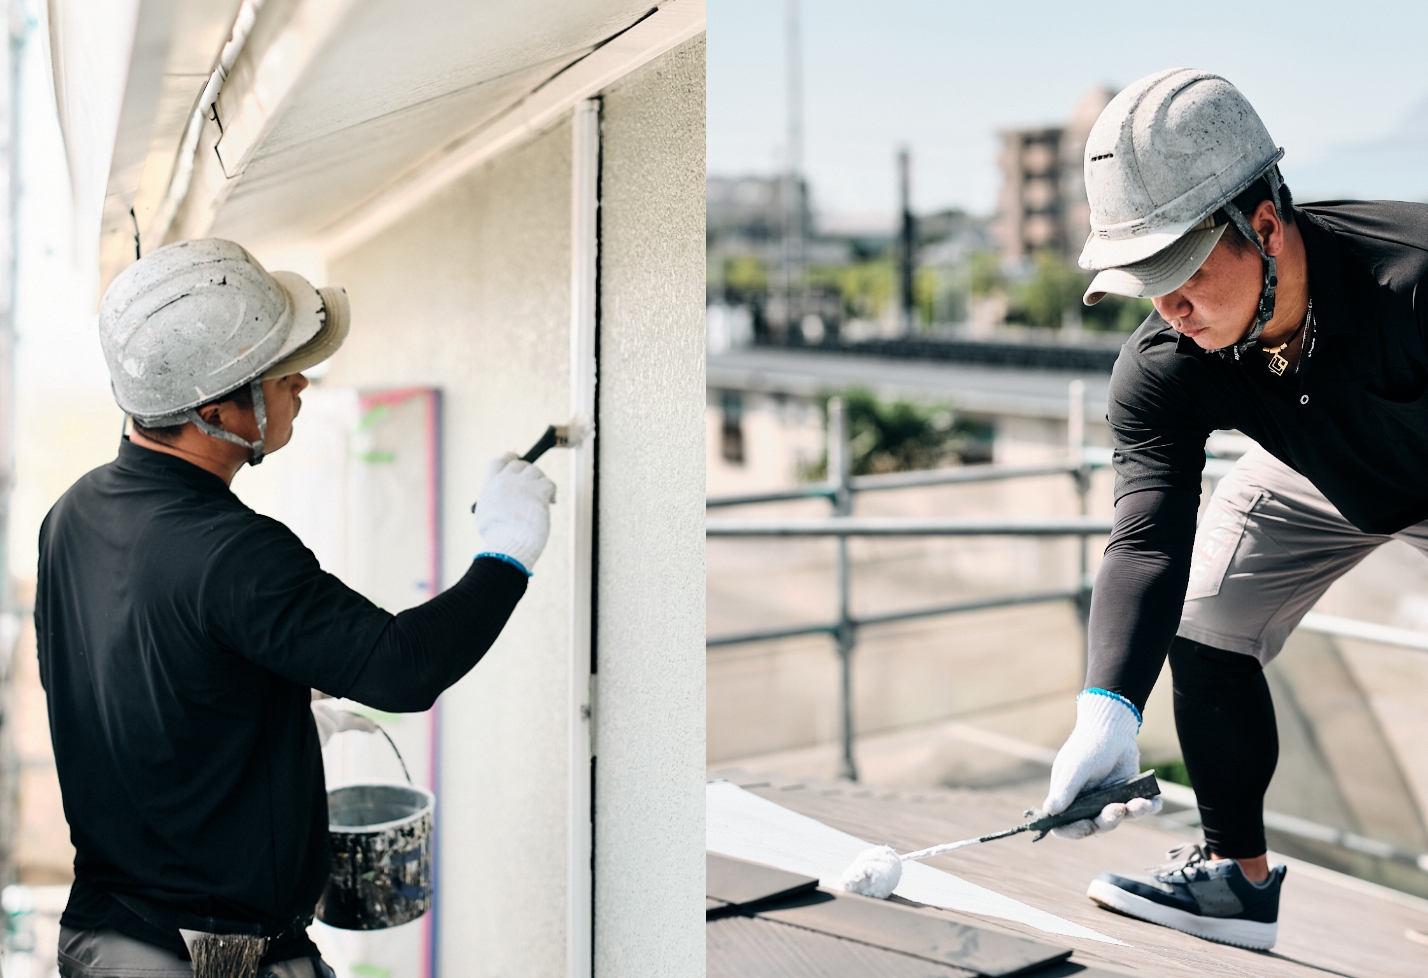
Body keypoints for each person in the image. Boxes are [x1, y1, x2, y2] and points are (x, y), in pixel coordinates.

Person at [38, 239, 557, 977]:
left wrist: (264, 702)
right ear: (215, 411)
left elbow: (131, 668)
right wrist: (509, 550)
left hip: (103, 937)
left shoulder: (72, 514)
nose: (303, 384)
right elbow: (404, 671)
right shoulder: (234, 550)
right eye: (281, 374)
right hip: (205, 956)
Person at [1039, 68, 1428, 951]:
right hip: (1322, 462)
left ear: (1265, 224)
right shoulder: (1167, 359)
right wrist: (1108, 713)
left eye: (1178, 269)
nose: (1167, 307)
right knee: (1208, 608)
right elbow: (1146, 541)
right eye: (1141, 279)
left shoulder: (1412, 282)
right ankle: (1236, 880)